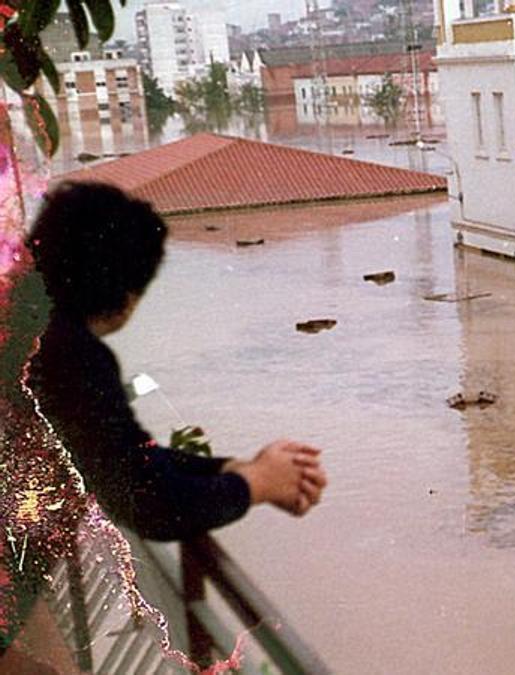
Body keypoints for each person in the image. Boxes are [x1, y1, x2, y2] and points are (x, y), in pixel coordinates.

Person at [23, 181, 328, 541]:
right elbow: (149, 503)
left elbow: (127, 455)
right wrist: (257, 483)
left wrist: (234, 469)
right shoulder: (70, 353)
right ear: (128, 291)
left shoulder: (29, 332)